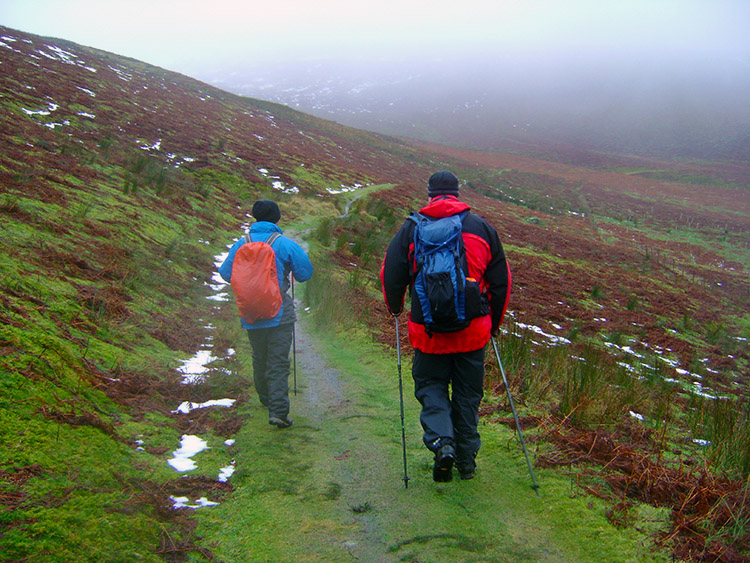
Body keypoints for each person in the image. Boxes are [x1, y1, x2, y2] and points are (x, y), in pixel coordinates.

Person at [380, 171, 511, 481]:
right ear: (456, 193)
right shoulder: (482, 228)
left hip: (427, 331)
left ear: (430, 195)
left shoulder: (411, 229)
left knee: (431, 387)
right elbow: (501, 282)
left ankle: (442, 444)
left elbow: (391, 274)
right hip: (473, 330)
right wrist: (493, 323)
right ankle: (466, 461)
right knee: (467, 394)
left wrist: (396, 308)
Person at [219, 200, 313, 429]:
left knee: (259, 357)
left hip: (251, 311)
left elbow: (224, 273)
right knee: (278, 361)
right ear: (277, 219)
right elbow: (305, 273)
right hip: (279, 312)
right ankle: (278, 412)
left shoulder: (241, 244)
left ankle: (265, 398)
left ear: (254, 217)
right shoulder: (283, 244)